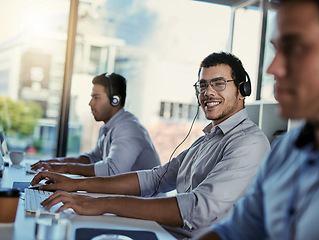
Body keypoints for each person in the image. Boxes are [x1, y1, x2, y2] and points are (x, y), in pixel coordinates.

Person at [31, 52, 270, 239]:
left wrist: (101, 202)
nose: (208, 92)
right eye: (203, 85)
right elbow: (155, 179)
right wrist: (75, 185)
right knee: (70, 228)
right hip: (165, 232)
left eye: (218, 83)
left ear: (242, 89)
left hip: (180, 236)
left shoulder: (249, 143)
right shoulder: (207, 140)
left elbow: (197, 209)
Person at [197, 0, 319, 239]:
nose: (272, 69)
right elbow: (235, 231)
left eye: (294, 48)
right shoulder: (285, 150)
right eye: (276, 50)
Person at [31, 73, 160, 177]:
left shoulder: (128, 128)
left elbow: (112, 171)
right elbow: (93, 158)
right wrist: (57, 163)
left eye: (96, 97)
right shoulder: (108, 127)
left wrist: (66, 168)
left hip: (145, 203)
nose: (90, 103)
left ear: (115, 100)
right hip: (124, 199)